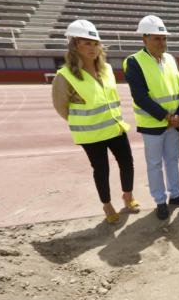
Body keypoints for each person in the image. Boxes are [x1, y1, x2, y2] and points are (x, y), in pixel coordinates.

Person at [52, 20, 138, 223]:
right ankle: (107, 205)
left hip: (115, 127)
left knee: (127, 162)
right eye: (86, 43)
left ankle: (128, 195)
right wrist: (84, 121)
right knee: (101, 170)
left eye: (95, 43)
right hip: (91, 134)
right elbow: (61, 106)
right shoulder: (65, 76)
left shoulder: (107, 68)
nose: (92, 48)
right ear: (75, 46)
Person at [124, 15, 179, 220]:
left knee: (172, 160)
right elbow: (140, 96)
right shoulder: (134, 62)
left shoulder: (170, 59)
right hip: (153, 125)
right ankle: (160, 200)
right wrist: (166, 116)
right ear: (144, 39)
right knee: (154, 164)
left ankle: (176, 195)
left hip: (174, 123)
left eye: (164, 39)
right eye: (156, 38)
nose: (162, 43)